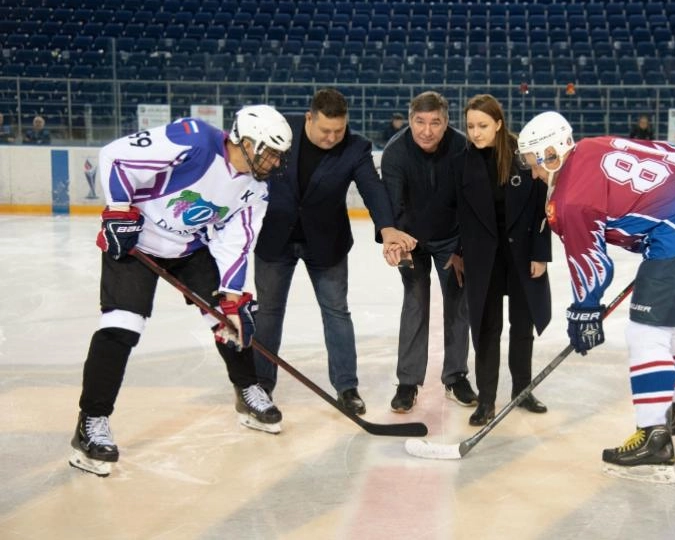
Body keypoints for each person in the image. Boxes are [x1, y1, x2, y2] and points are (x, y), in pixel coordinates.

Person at [70, 105, 293, 477]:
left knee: (231, 320)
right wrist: (120, 212)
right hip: (135, 241)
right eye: (269, 152)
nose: (274, 162)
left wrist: (231, 295)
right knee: (122, 327)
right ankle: (91, 423)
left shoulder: (256, 189)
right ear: (246, 141)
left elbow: (237, 241)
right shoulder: (195, 139)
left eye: (278, 155)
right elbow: (116, 157)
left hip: (189, 248)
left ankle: (247, 390)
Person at [515, 111, 675, 484]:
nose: (534, 173)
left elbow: (593, 265)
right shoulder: (589, 147)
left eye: (533, 163)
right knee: (674, 326)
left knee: (647, 331)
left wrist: (585, 311)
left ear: (551, 153)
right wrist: (658, 230)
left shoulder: (570, 198)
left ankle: (654, 439)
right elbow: (666, 152)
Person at [253, 88, 416, 416]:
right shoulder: (281, 131)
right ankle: (260, 385)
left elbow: (372, 188)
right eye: (325, 130)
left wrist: (387, 229)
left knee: (336, 312)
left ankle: (347, 388)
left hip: (326, 243)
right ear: (309, 118)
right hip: (275, 238)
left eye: (338, 131)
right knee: (268, 313)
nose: (331, 137)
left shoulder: (355, 147)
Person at [454, 95, 552, 426]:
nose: (475, 132)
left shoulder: (524, 157)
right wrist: (456, 251)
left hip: (522, 255)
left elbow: (541, 209)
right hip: (483, 259)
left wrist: (540, 254)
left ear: (498, 124)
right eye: (470, 126)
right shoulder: (461, 162)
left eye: (482, 125)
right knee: (486, 329)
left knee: (522, 326)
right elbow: (455, 213)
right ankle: (486, 401)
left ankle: (522, 392)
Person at [380, 91, 477, 413]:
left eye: (435, 122)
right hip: (411, 240)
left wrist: (463, 248)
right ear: (410, 120)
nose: (426, 130)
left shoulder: (462, 147)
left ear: (446, 123)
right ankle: (408, 382)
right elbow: (392, 206)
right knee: (415, 302)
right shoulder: (395, 153)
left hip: (452, 239)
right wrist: (397, 244)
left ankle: (456, 377)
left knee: (458, 303)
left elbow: (470, 203)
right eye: (419, 122)